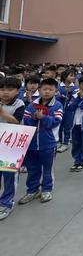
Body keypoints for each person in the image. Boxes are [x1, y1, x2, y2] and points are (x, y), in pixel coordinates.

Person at [19, 78, 63, 204]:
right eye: (45, 89)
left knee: (47, 168)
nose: (47, 92)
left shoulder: (57, 106)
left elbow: (55, 122)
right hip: (31, 143)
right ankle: (32, 190)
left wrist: (43, 117)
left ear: (56, 91)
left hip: (48, 143)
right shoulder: (31, 105)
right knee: (32, 168)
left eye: (51, 89)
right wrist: (34, 118)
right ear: (39, 90)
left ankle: (46, 190)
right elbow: (26, 121)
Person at [0, 77, 25, 220]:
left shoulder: (19, 103)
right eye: (2, 89)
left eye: (9, 90)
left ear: (17, 91)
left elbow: (17, 121)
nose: (5, 93)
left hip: (12, 141)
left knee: (9, 174)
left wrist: (2, 113)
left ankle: (6, 203)